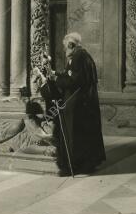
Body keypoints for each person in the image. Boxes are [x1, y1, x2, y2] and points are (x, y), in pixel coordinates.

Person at [35, 32, 106, 174]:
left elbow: (73, 81)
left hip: (78, 105)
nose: (64, 49)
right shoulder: (81, 56)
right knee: (82, 136)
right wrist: (54, 73)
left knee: (75, 136)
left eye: (65, 46)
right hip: (83, 104)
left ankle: (74, 166)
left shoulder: (79, 57)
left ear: (71, 45)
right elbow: (70, 75)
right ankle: (85, 164)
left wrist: (54, 79)